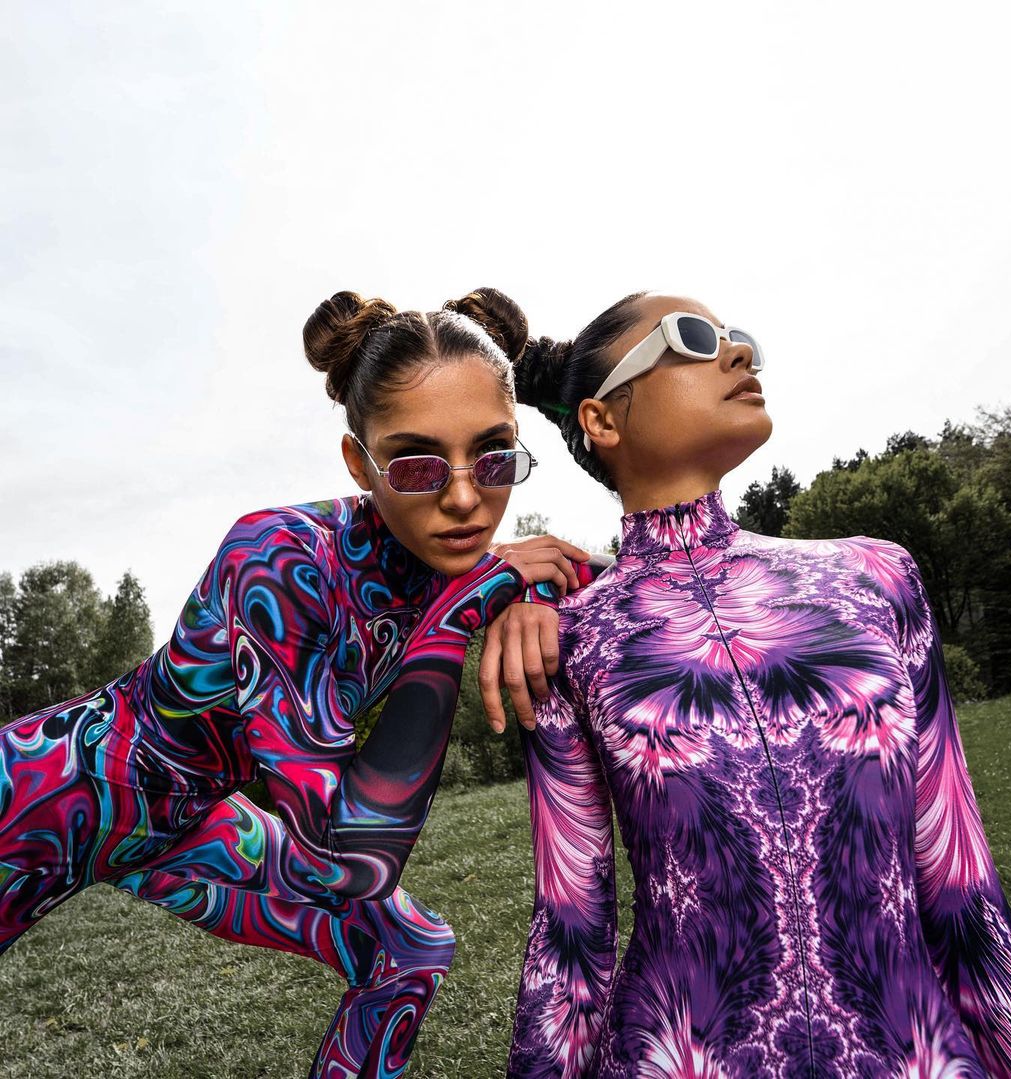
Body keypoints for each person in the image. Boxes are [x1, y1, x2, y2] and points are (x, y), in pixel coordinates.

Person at [0, 287, 603, 1078]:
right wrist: (465, 611)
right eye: (416, 463)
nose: (464, 498)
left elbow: (636, 579)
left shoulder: (448, 557)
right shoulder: (280, 558)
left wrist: (535, 597)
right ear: (359, 462)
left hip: (189, 822)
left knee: (407, 948)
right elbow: (347, 859)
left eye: (494, 456)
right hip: (50, 793)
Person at [504, 292, 1011, 1077]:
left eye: (737, 337)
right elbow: (572, 933)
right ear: (602, 419)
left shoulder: (876, 577)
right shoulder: (567, 639)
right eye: (692, 338)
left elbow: (962, 888)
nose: (739, 354)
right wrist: (488, 584)